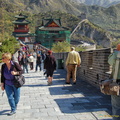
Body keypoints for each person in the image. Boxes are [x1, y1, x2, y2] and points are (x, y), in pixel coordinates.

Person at [108, 44, 120, 120]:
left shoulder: (116, 54)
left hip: (117, 83)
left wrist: (115, 52)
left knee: (116, 106)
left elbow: (110, 62)